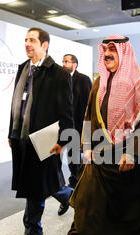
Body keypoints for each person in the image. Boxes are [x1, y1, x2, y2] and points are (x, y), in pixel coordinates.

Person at [47, 35, 140, 235]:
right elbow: (90, 114)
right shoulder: (100, 81)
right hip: (102, 152)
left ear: (123, 51)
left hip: (129, 155)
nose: (108, 53)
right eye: (105, 49)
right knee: (87, 195)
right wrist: (88, 146)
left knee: (122, 204)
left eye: (113, 49)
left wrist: (132, 153)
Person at [8, 28, 74, 235]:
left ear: (44, 45)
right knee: (46, 179)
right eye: (25, 40)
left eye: (32, 40)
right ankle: (69, 196)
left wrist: (63, 141)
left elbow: (66, 112)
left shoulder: (59, 74)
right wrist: (12, 132)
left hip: (45, 137)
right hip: (22, 137)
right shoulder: (23, 69)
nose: (27, 44)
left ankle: (32, 228)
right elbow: (16, 104)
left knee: (35, 184)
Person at [62, 54, 92, 189]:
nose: (63, 64)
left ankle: (78, 178)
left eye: (66, 61)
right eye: (63, 61)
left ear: (75, 64)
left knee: (76, 153)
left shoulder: (83, 80)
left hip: (79, 124)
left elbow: (89, 104)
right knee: (70, 153)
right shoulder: (60, 79)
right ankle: (75, 177)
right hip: (64, 123)